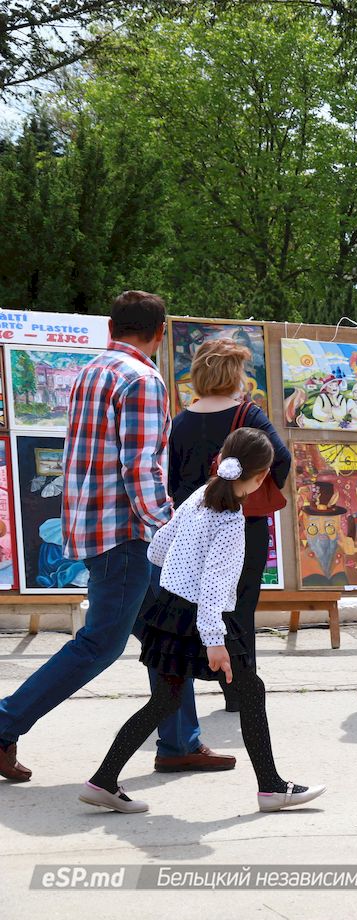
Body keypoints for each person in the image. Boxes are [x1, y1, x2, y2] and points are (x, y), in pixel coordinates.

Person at [1, 291, 232, 784]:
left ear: (110, 326)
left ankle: (179, 742)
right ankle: (4, 724)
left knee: (166, 633)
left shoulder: (91, 373)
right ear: (161, 331)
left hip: (96, 527)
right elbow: (141, 466)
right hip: (129, 535)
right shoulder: (143, 380)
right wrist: (173, 526)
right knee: (99, 645)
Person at [80, 429, 325, 814]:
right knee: (250, 692)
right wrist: (214, 640)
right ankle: (272, 788)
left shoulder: (199, 496)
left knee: (166, 699)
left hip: (171, 610)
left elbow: (159, 548)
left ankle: (103, 780)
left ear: (222, 459)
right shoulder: (231, 520)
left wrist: (181, 575)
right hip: (205, 620)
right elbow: (214, 585)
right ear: (261, 478)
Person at [169, 338, 291, 714]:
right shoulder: (249, 416)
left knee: (194, 607)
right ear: (233, 375)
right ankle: (239, 691)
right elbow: (280, 460)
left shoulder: (181, 421)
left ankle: (177, 698)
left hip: (193, 526)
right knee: (238, 609)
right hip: (243, 525)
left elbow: (172, 481)